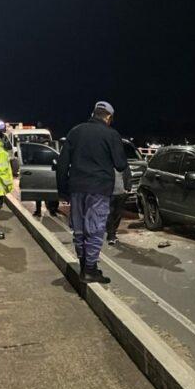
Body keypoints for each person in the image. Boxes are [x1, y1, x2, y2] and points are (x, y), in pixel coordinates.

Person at [56, 101, 128, 284]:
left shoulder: (75, 132)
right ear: (108, 117)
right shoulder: (111, 134)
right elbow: (120, 164)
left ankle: (84, 266)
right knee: (95, 230)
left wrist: (63, 190)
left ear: (93, 113)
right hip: (99, 189)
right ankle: (89, 270)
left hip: (77, 188)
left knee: (79, 230)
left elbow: (62, 164)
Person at [106, 167, 132, 245]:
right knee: (110, 213)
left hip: (121, 193)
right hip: (109, 193)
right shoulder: (107, 163)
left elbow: (128, 176)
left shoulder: (123, 164)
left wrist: (128, 188)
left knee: (118, 214)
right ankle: (111, 235)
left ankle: (113, 232)